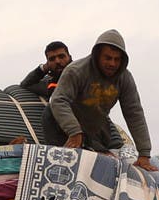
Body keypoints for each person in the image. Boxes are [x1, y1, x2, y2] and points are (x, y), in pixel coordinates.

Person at [49, 30, 152, 162]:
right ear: (97, 56)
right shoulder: (76, 71)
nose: (112, 64)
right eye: (108, 58)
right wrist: (74, 131)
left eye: (117, 59)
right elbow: (58, 100)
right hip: (62, 125)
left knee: (102, 162)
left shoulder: (124, 78)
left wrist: (144, 154)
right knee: (63, 162)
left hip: (94, 127)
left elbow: (134, 113)